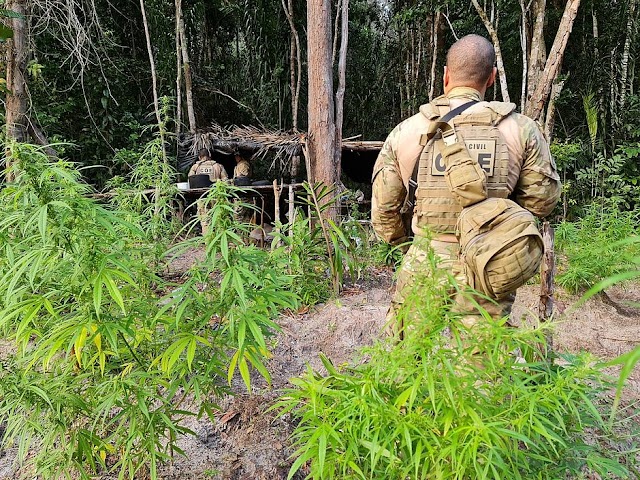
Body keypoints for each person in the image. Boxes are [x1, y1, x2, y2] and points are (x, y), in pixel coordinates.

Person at [371, 34, 561, 337]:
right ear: (492, 78)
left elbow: (384, 212)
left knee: (407, 362)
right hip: (489, 263)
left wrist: (410, 245)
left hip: (426, 261)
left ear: (446, 76)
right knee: (479, 366)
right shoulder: (520, 129)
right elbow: (542, 202)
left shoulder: (406, 131)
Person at [188, 148, 228, 236]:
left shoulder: (195, 167)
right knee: (218, 217)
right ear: (209, 156)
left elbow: (190, 179)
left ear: (199, 157)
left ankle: (207, 240)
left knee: (205, 219)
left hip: (202, 196)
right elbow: (225, 180)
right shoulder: (218, 166)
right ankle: (219, 239)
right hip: (216, 195)